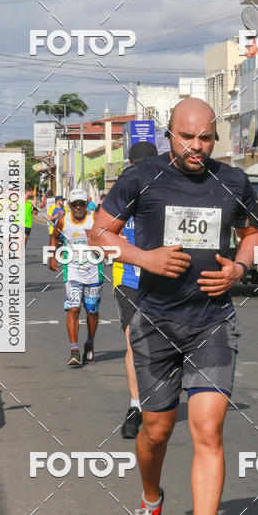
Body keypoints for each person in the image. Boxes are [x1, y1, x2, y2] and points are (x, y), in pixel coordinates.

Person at [91, 98, 258, 515]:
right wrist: (141, 258)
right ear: (171, 134)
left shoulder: (232, 181)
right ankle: (151, 501)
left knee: (208, 430)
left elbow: (252, 233)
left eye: (205, 138)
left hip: (212, 321)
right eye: (187, 137)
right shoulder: (140, 178)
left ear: (216, 138)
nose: (196, 146)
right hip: (156, 322)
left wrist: (238, 268)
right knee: (156, 432)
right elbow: (99, 235)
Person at [113, 142, 157, 440]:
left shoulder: (167, 194)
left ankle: (158, 396)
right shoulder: (120, 195)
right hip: (128, 282)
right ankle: (135, 405)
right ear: (130, 166)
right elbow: (102, 234)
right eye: (136, 166)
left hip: (163, 281)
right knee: (134, 344)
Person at [49, 188, 104, 367]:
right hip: (71, 270)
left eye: (81, 204)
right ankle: (74, 349)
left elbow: (108, 237)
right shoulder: (63, 220)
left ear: (86, 204)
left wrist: (96, 240)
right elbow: (54, 236)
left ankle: (90, 342)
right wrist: (52, 256)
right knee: (73, 308)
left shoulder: (94, 219)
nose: (78, 207)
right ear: (69, 206)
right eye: (75, 205)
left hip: (94, 270)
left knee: (92, 310)